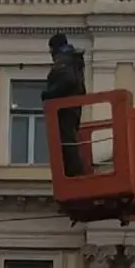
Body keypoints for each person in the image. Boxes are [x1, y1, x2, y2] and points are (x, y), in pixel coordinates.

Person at [42, 32, 87, 177]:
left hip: (66, 106)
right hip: (71, 105)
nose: (50, 52)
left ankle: (73, 172)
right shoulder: (72, 59)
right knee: (68, 138)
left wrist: (50, 93)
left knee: (66, 139)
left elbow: (67, 80)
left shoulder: (64, 60)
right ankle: (72, 170)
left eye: (51, 49)